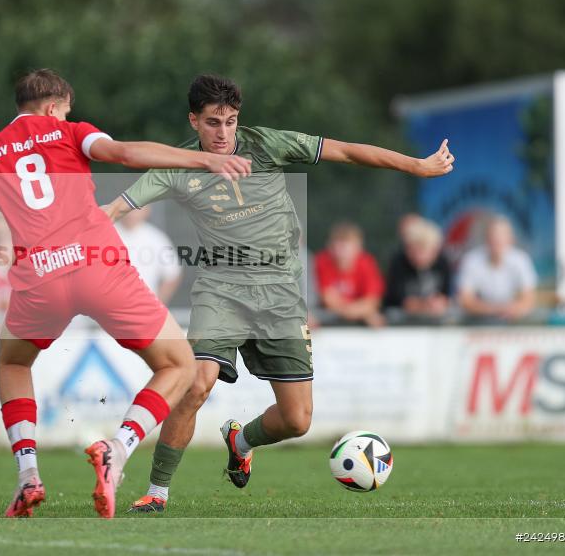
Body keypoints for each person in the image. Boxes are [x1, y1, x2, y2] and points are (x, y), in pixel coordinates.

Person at [0, 69, 251, 519]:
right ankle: (119, 448)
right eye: (66, 109)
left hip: (39, 278)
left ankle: (28, 474)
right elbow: (124, 153)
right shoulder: (69, 131)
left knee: (13, 363)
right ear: (54, 107)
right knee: (179, 364)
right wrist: (205, 160)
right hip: (97, 265)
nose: (69, 115)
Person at [103, 74, 454, 513]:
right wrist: (109, 211)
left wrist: (417, 165)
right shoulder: (181, 165)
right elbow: (129, 199)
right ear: (194, 120)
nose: (223, 132)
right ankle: (157, 492)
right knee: (197, 383)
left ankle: (241, 439)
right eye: (213, 122)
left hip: (281, 295)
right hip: (222, 291)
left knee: (296, 420)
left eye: (230, 121)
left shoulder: (266, 144)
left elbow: (344, 150)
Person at [458, 216, 537, 321]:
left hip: (512, 321)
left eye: (501, 238)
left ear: (511, 240)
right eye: (493, 238)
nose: (497, 242)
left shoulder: (521, 260)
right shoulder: (471, 260)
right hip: (477, 321)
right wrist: (498, 309)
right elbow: (465, 301)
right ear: (486, 239)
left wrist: (515, 309)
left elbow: (529, 299)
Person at [384, 217, 452, 321]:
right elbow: (398, 300)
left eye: (424, 251)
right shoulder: (398, 263)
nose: (419, 257)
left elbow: (446, 297)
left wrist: (439, 303)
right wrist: (423, 305)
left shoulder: (443, 263)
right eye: (415, 250)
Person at [115, 206, 182, 305]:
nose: (132, 213)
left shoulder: (156, 238)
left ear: (147, 211)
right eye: (129, 207)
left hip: (143, 310)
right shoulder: (104, 233)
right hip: (102, 313)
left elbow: (173, 275)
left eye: (137, 208)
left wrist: (156, 305)